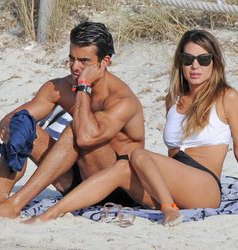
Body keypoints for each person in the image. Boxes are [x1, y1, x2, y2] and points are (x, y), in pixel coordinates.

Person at [23, 29, 238, 227]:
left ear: (215, 62)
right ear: (180, 62)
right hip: (172, 184)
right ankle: (51, 213)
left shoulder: (227, 97)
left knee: (137, 155)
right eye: (188, 59)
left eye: (203, 59)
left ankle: (168, 208)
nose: (195, 66)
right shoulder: (173, 98)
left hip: (204, 186)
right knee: (121, 168)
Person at [0, 21, 146, 218]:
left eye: (84, 61)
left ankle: (16, 203)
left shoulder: (122, 100)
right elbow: (7, 122)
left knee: (77, 129)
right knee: (23, 123)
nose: (75, 67)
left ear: (105, 61)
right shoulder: (60, 87)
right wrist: (15, 134)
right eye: (71, 59)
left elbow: (86, 139)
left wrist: (83, 86)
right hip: (73, 179)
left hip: (117, 187)